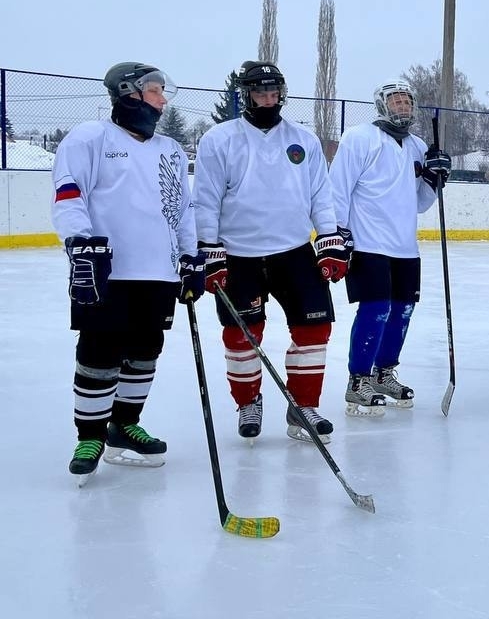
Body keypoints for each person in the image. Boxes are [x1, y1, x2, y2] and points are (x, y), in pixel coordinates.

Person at [51, 62, 205, 484]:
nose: (163, 98)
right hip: (108, 270)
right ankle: (91, 435)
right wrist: (80, 242)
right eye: (156, 90)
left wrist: (191, 258)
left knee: (144, 351)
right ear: (129, 92)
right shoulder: (90, 138)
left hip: (158, 272)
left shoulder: (170, 148)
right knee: (99, 352)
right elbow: (68, 194)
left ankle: (124, 423)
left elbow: (183, 209)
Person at [194, 61, 346, 443]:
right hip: (238, 254)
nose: (268, 99)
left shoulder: (304, 140)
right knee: (242, 335)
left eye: (273, 92)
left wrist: (328, 242)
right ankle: (248, 401)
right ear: (246, 94)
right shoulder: (219, 138)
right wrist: (209, 250)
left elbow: (320, 196)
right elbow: (207, 200)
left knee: (314, 329)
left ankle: (303, 407)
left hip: (294, 252)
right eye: (260, 92)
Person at [328, 79, 451, 413]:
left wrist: (435, 179)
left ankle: (384, 373)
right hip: (368, 243)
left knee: (402, 312)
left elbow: (421, 202)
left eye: (407, 101)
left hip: (405, 247)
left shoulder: (417, 145)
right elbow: (338, 188)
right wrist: (337, 234)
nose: (403, 106)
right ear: (382, 105)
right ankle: (358, 380)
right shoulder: (359, 138)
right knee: (375, 310)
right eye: (396, 101)